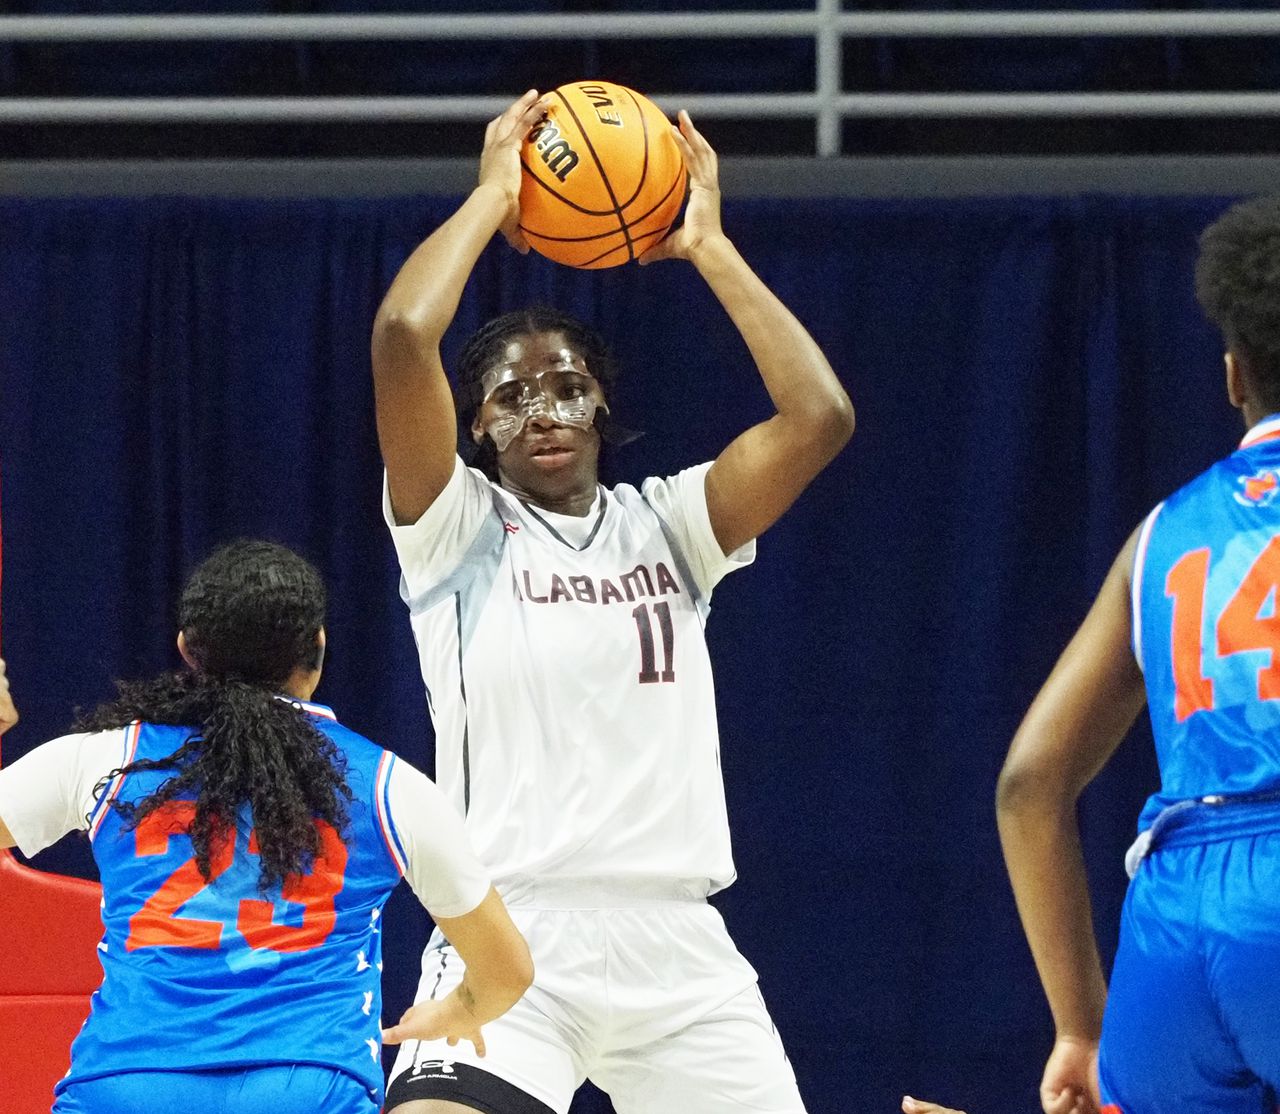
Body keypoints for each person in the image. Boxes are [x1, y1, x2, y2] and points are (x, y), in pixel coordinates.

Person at [371, 90, 854, 1114]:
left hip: (673, 944)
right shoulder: (452, 528)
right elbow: (404, 336)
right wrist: (493, 193)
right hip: (509, 929)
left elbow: (818, 416)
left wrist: (708, 248)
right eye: (509, 395)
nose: (541, 408)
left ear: (602, 403)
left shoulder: (670, 524)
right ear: (476, 431)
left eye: (564, 384)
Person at [0, 539, 533, 1114]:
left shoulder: (105, 759)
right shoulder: (389, 786)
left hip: (126, 1084)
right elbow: (508, 970)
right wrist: (462, 1008)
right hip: (307, 1087)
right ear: (319, 650)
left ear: (187, 651)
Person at [998, 195, 1280, 1114]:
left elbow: (1028, 784)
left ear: (1235, 377)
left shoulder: (1162, 532)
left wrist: (1081, 1027)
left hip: (1177, 915)